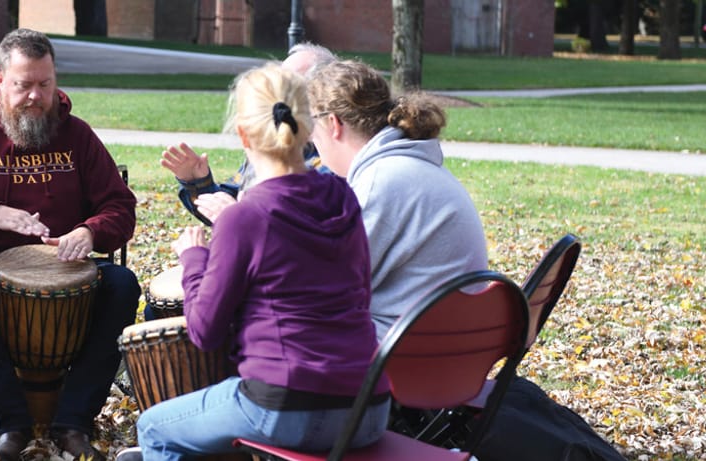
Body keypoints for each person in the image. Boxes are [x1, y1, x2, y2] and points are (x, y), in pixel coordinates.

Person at [116, 63, 389, 461]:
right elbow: (360, 292)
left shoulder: (245, 217)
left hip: (287, 407)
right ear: (307, 127)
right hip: (370, 406)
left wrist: (194, 259)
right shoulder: (343, 196)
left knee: (155, 428)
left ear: (243, 134)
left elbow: (204, 332)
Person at [0, 28, 139, 461]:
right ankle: (11, 422)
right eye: (24, 85)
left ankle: (73, 420)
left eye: (45, 84)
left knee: (123, 284)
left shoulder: (77, 136)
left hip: (66, 261)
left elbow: (120, 207)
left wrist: (90, 231)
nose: (36, 97)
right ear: (1, 81)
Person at [305, 59, 488, 339]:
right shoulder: (407, 167)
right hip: (447, 351)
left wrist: (244, 230)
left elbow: (323, 290)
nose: (310, 138)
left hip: (402, 360)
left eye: (310, 125)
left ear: (333, 124)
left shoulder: (382, 180)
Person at [159, 42, 336, 228]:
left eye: (291, 85)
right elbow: (227, 203)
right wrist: (197, 182)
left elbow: (298, 238)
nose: (278, 92)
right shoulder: (269, 142)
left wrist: (237, 219)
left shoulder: (331, 159)